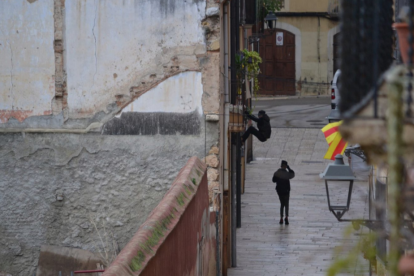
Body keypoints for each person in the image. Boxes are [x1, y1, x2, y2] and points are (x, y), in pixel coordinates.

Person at [272, 160, 295, 225]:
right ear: (285, 166)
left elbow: (273, 180)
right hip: (286, 191)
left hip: (279, 191)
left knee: (282, 204)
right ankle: (286, 217)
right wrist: (289, 168)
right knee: (286, 204)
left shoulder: (278, 172)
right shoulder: (287, 174)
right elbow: (293, 174)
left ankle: (281, 218)